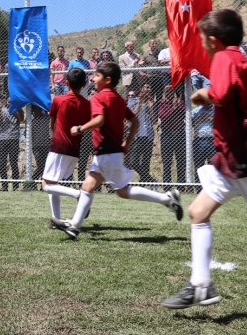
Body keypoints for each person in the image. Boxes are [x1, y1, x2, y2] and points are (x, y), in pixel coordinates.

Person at [162, 9, 247, 309]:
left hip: (246, 157)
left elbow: (221, 94)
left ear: (212, 40)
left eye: (202, 40)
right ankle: (200, 285)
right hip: (232, 158)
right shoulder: (243, 60)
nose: (203, 46)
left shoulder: (223, 59)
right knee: (198, 212)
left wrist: (203, 94)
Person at [51, 62, 183, 240]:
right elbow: (135, 122)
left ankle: (167, 199)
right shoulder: (119, 99)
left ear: (108, 80)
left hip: (106, 151)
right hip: (111, 152)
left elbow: (100, 120)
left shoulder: (99, 97)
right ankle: (75, 225)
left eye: (97, 76)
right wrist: (127, 143)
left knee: (120, 190)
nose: (93, 78)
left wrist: (80, 128)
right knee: (90, 187)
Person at [41, 69, 91, 224]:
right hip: (75, 149)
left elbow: (52, 124)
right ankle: (56, 218)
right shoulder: (87, 104)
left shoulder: (58, 100)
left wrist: (54, 133)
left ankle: (78, 195)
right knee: (53, 182)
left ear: (66, 83)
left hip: (59, 147)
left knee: (45, 185)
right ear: (84, 84)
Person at [126, 83, 157, 184]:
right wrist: (139, 103)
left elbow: (154, 121)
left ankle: (144, 184)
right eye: (146, 87)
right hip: (136, 136)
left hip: (148, 136)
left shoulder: (152, 102)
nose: (149, 89)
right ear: (141, 89)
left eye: (150, 87)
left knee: (145, 163)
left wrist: (151, 107)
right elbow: (130, 118)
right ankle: (151, 180)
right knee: (133, 162)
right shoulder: (133, 101)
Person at [157, 85, 186, 187]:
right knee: (167, 161)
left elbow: (185, 115)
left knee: (181, 161)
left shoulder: (180, 102)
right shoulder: (161, 102)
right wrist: (174, 108)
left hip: (179, 133)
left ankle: (181, 186)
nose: (169, 92)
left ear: (173, 91)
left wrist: (178, 106)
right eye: (167, 91)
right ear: (164, 92)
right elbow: (163, 116)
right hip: (167, 134)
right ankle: (167, 185)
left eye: (171, 90)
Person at [0, 97, 23, 191]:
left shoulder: (19, 109)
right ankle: (4, 185)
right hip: (3, 139)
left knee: (13, 162)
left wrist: (15, 109)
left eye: (12, 100)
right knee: (2, 163)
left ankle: (15, 185)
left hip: (14, 138)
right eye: (8, 100)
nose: (9, 101)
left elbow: (21, 119)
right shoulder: (2, 110)